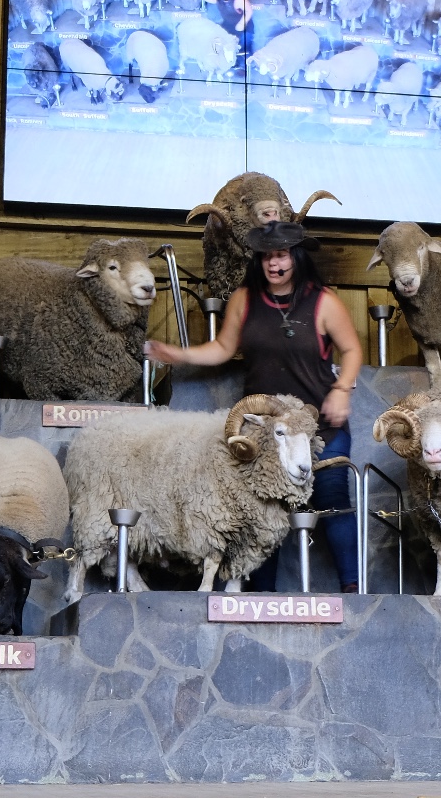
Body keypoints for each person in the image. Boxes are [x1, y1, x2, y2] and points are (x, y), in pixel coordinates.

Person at [146, 220, 366, 591]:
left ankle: (354, 589)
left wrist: (342, 389)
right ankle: (261, 596)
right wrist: (177, 354)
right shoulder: (244, 301)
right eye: (266, 257)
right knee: (264, 509)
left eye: (281, 255)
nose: (273, 264)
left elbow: (352, 349)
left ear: (295, 257)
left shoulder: (323, 301)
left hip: (318, 425)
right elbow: (223, 349)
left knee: (332, 495)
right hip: (266, 433)